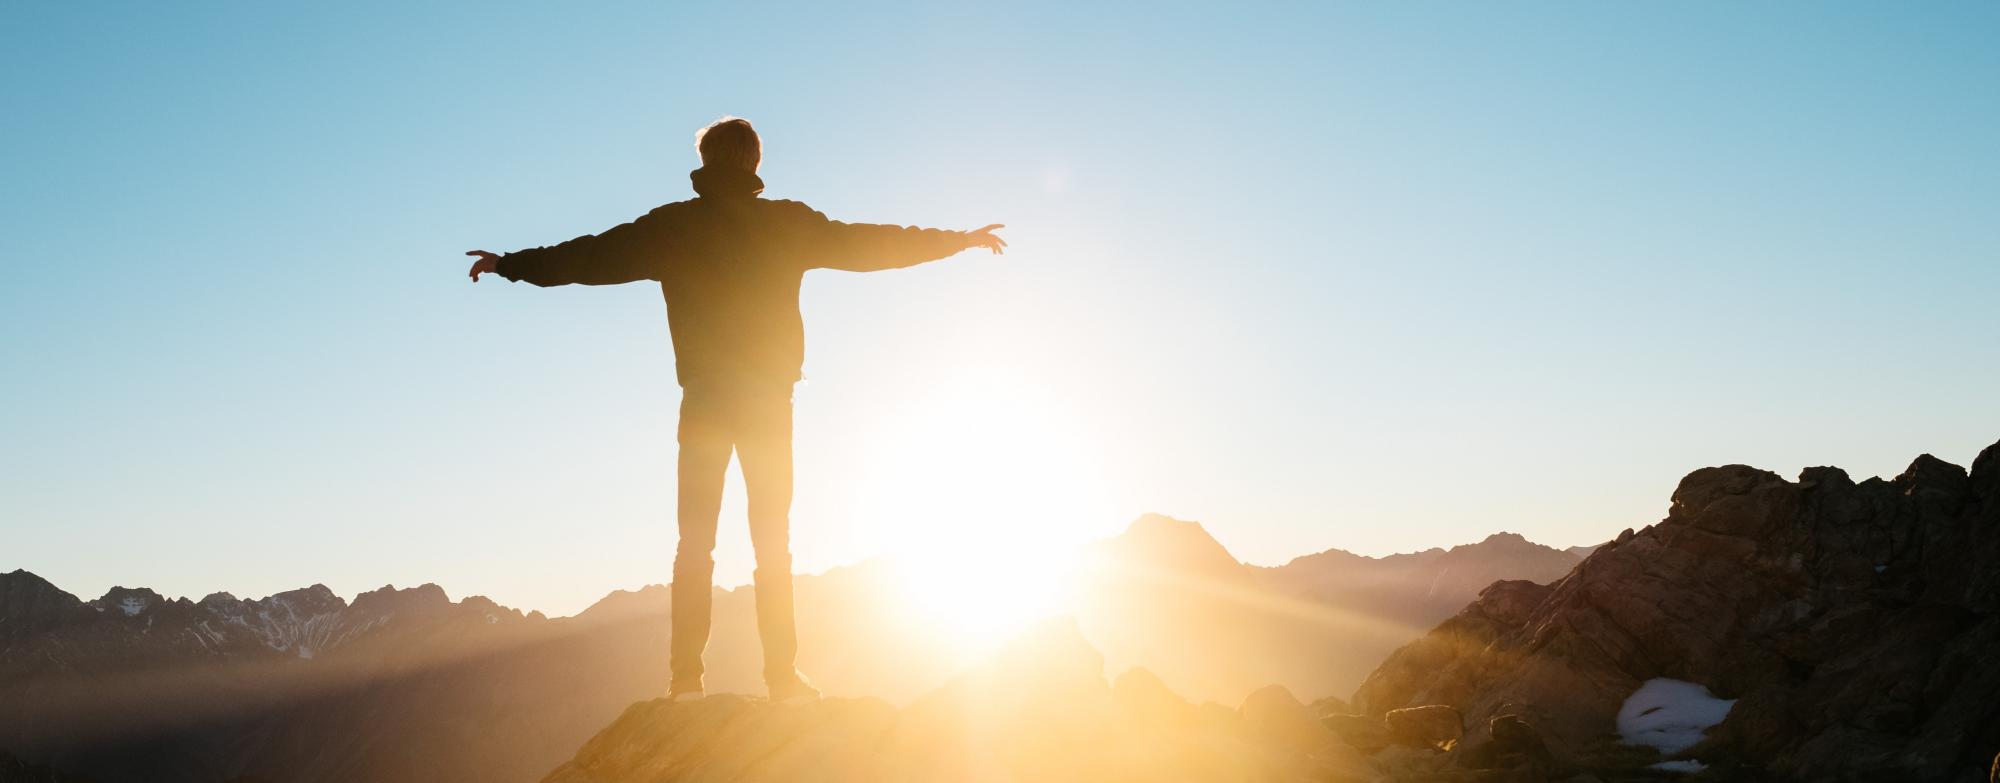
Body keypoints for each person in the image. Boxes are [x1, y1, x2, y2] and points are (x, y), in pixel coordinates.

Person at [466, 117, 1006, 703]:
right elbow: (872, 244)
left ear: (705, 160)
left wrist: (509, 264)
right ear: (753, 162)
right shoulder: (785, 224)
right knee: (772, 540)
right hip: (769, 402)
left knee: (694, 543)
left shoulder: (673, 227)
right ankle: (781, 680)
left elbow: (588, 257)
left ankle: (684, 683)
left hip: (704, 402)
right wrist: (958, 239)